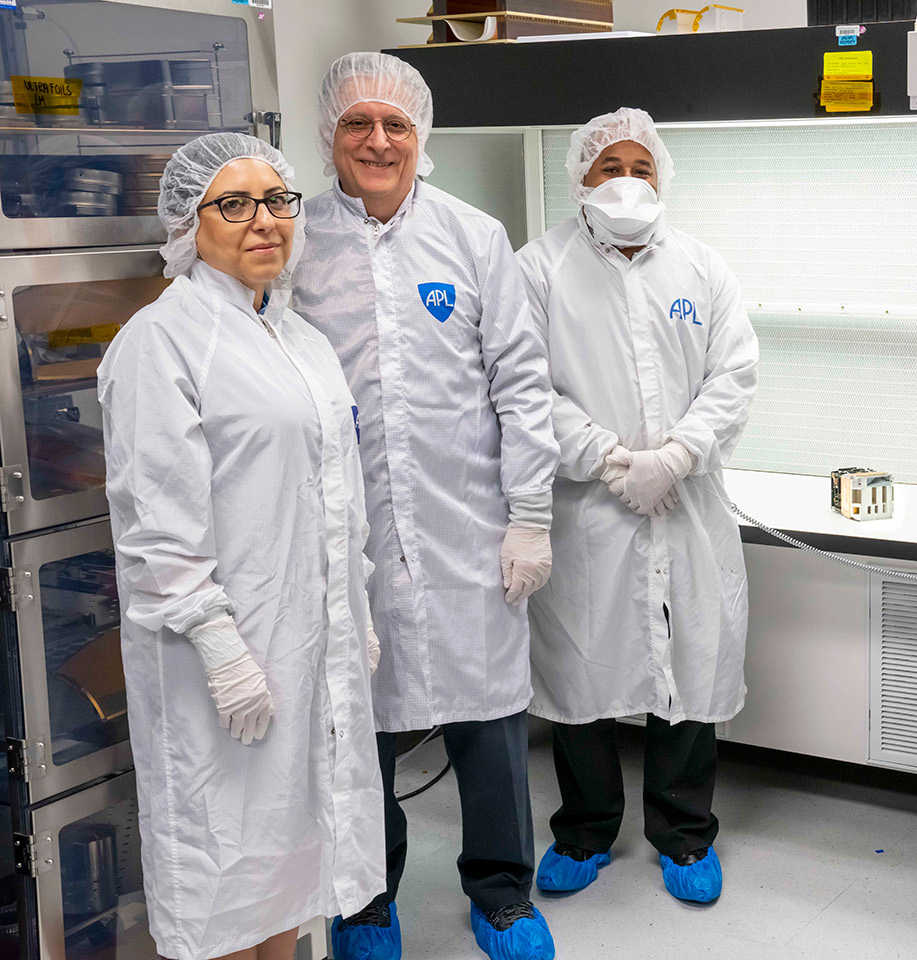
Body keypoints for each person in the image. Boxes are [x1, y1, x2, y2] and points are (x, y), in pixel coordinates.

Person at [291, 53, 560, 960]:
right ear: (330, 134)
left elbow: (522, 384)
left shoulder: (473, 237)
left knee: (488, 721)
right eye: (358, 123)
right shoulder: (295, 244)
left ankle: (503, 895)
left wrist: (530, 517)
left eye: (396, 125)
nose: (378, 140)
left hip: (466, 524)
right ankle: (366, 901)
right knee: (356, 728)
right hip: (344, 532)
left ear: (421, 137)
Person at [99, 133, 384, 960]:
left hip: (307, 645)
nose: (264, 221)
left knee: (293, 866)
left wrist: (353, 607)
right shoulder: (163, 344)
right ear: (191, 224)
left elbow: (339, 497)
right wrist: (222, 649)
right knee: (228, 867)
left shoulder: (300, 339)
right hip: (219, 662)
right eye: (234, 204)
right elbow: (158, 523)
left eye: (277, 201)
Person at [516, 107, 759, 905]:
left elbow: (734, 377)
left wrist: (677, 456)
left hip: (685, 504)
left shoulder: (702, 270)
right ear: (579, 178)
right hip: (588, 508)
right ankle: (584, 830)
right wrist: (611, 457)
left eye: (640, 168)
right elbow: (522, 390)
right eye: (607, 168)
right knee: (579, 671)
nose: (625, 182)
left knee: (688, 659)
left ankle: (683, 835)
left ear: (662, 178)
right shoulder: (537, 270)